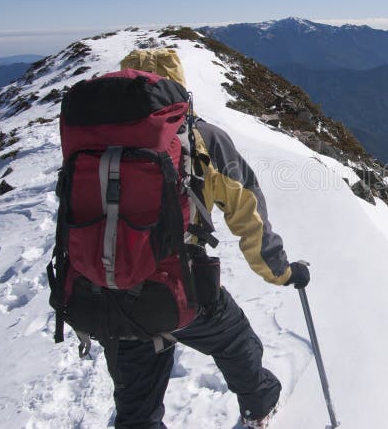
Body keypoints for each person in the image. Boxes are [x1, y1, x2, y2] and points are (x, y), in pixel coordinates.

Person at [107, 48, 311, 429]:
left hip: (105, 288)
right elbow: (249, 216)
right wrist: (283, 273)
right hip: (177, 286)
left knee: (136, 404)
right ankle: (260, 408)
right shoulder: (202, 140)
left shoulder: (98, 145)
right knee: (237, 343)